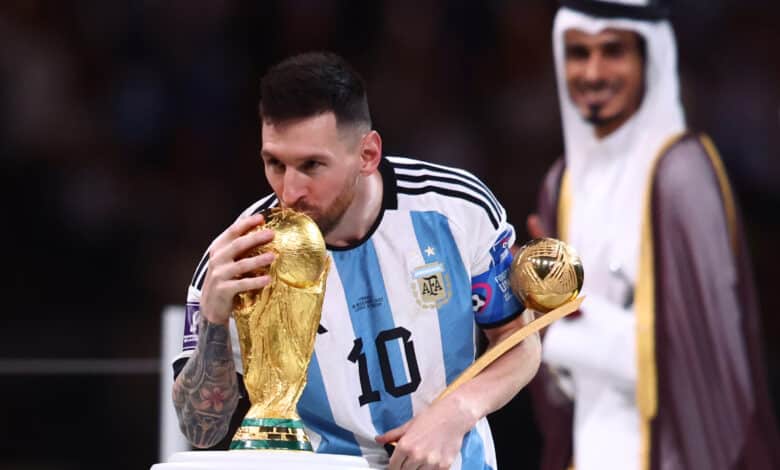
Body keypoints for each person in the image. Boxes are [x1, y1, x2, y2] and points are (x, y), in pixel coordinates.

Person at [171, 51, 541, 470]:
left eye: (312, 165)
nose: (289, 191)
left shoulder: (456, 210)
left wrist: (458, 410)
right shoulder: (239, 257)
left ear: (367, 154)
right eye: (274, 163)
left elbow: (519, 343)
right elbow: (200, 429)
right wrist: (213, 320)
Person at [527, 1, 780, 470]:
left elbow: (705, 361)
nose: (593, 73)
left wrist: (569, 326)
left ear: (650, 59)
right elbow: (558, 381)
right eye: (579, 53)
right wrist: (538, 324)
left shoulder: (683, 174)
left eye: (613, 51)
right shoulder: (561, 184)